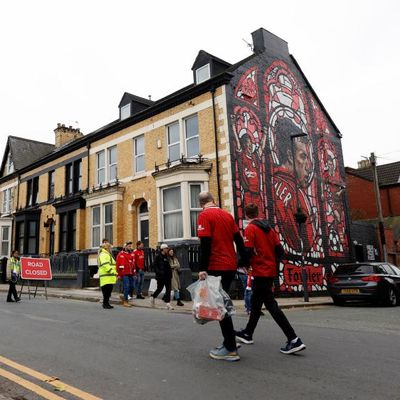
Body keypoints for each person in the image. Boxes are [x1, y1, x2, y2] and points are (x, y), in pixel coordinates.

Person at [235, 203, 306, 354]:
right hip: (269, 271)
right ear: (258, 212)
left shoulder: (250, 229)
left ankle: (294, 339)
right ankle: (248, 333)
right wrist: (270, 262)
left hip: (260, 272)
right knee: (255, 304)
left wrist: (240, 264)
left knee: (271, 305)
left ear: (246, 215)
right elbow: (280, 251)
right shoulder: (269, 229)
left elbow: (247, 251)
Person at [197, 191, 247, 362]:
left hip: (216, 266)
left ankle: (231, 349)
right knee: (223, 302)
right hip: (230, 265)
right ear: (214, 200)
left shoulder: (204, 216)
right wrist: (243, 261)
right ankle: (229, 340)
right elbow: (239, 241)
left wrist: (203, 269)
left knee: (219, 306)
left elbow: (205, 244)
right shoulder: (227, 215)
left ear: (201, 204)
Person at [150, 243, 173, 310]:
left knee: (168, 289)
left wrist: (170, 274)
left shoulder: (167, 256)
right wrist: (159, 272)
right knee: (159, 289)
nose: (167, 249)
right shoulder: (157, 256)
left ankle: (168, 304)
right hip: (161, 277)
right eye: (166, 248)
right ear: (162, 249)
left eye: (167, 248)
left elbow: (168, 266)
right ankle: (153, 297)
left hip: (167, 276)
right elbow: (154, 266)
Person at [98, 241, 118, 309]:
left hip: (108, 277)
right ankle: (105, 304)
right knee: (107, 291)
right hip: (106, 276)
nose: (111, 249)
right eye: (110, 248)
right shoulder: (103, 254)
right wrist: (112, 271)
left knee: (108, 291)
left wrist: (115, 272)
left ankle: (106, 303)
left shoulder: (107, 254)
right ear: (107, 248)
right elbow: (105, 264)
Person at [116, 242, 135, 307]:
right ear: (125, 247)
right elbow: (117, 265)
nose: (130, 247)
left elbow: (133, 264)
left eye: (130, 246)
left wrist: (134, 273)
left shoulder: (131, 254)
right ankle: (125, 301)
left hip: (131, 273)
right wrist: (118, 274)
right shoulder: (120, 254)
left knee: (132, 286)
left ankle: (124, 295)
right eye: (129, 246)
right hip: (124, 273)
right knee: (126, 286)